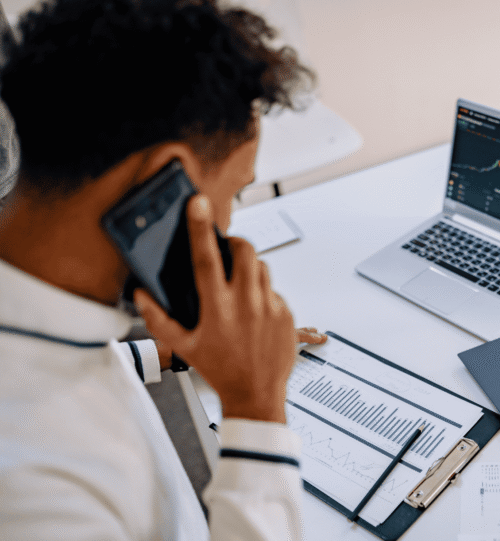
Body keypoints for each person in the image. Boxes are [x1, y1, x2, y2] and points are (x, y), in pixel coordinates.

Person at [0, 0, 325, 539]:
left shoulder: (47, 311)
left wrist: (168, 353)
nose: (228, 223)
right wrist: (256, 407)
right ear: (161, 184)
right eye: (234, 192)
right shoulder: (38, 496)